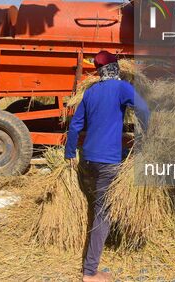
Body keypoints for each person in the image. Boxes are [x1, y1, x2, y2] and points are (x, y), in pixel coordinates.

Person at [65, 51, 150, 282]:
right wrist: (147, 136)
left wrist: (70, 153)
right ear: (115, 67)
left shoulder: (90, 92)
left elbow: (74, 127)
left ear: (98, 70)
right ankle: (90, 272)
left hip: (88, 159)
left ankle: (95, 257)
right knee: (103, 214)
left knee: (96, 206)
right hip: (108, 162)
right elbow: (144, 109)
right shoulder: (122, 88)